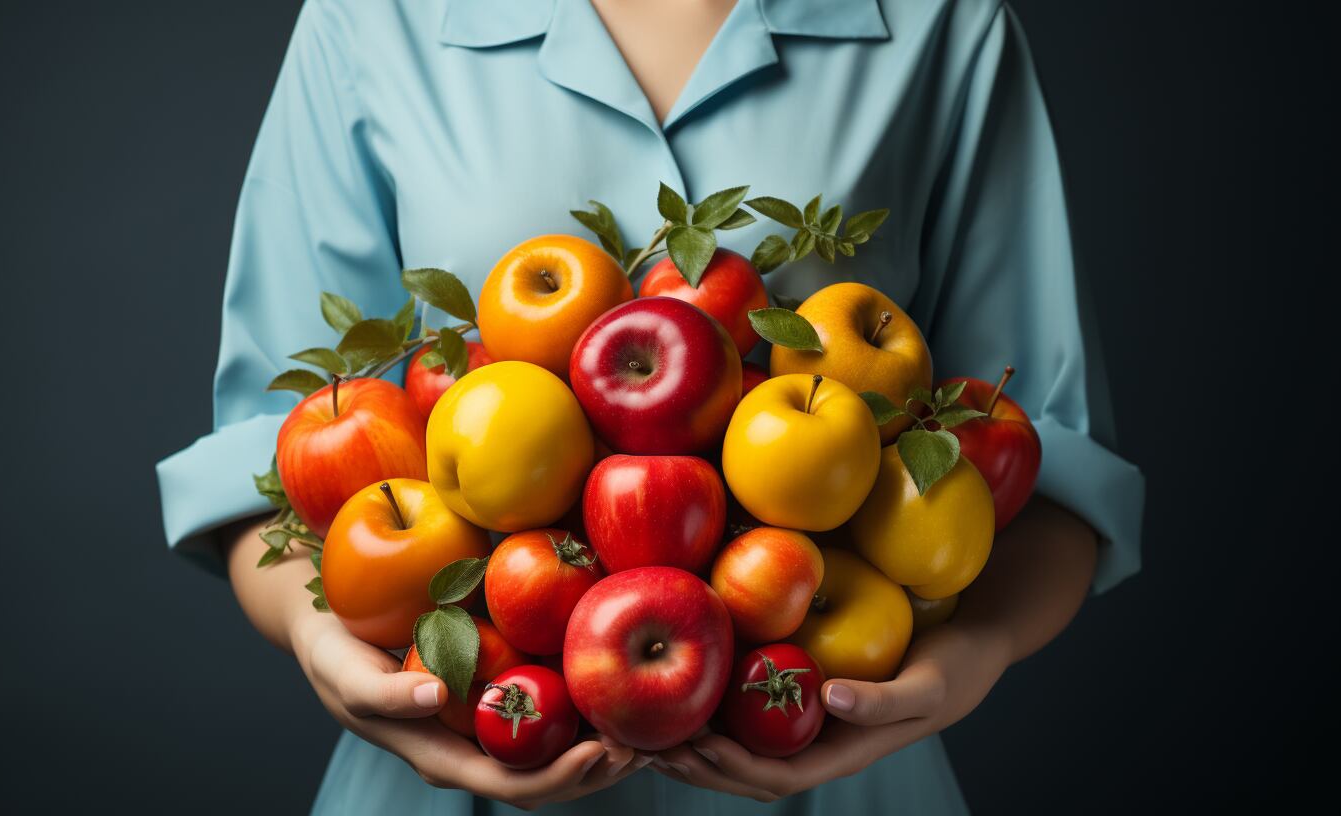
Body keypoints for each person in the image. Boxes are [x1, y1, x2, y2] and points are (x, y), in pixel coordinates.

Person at [155, 0, 1144, 812]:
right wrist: (331, 648)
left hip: (836, 760)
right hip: (466, 754)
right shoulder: (376, 19)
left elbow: (1041, 461)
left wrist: (963, 663)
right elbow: (271, 460)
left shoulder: (940, 20)